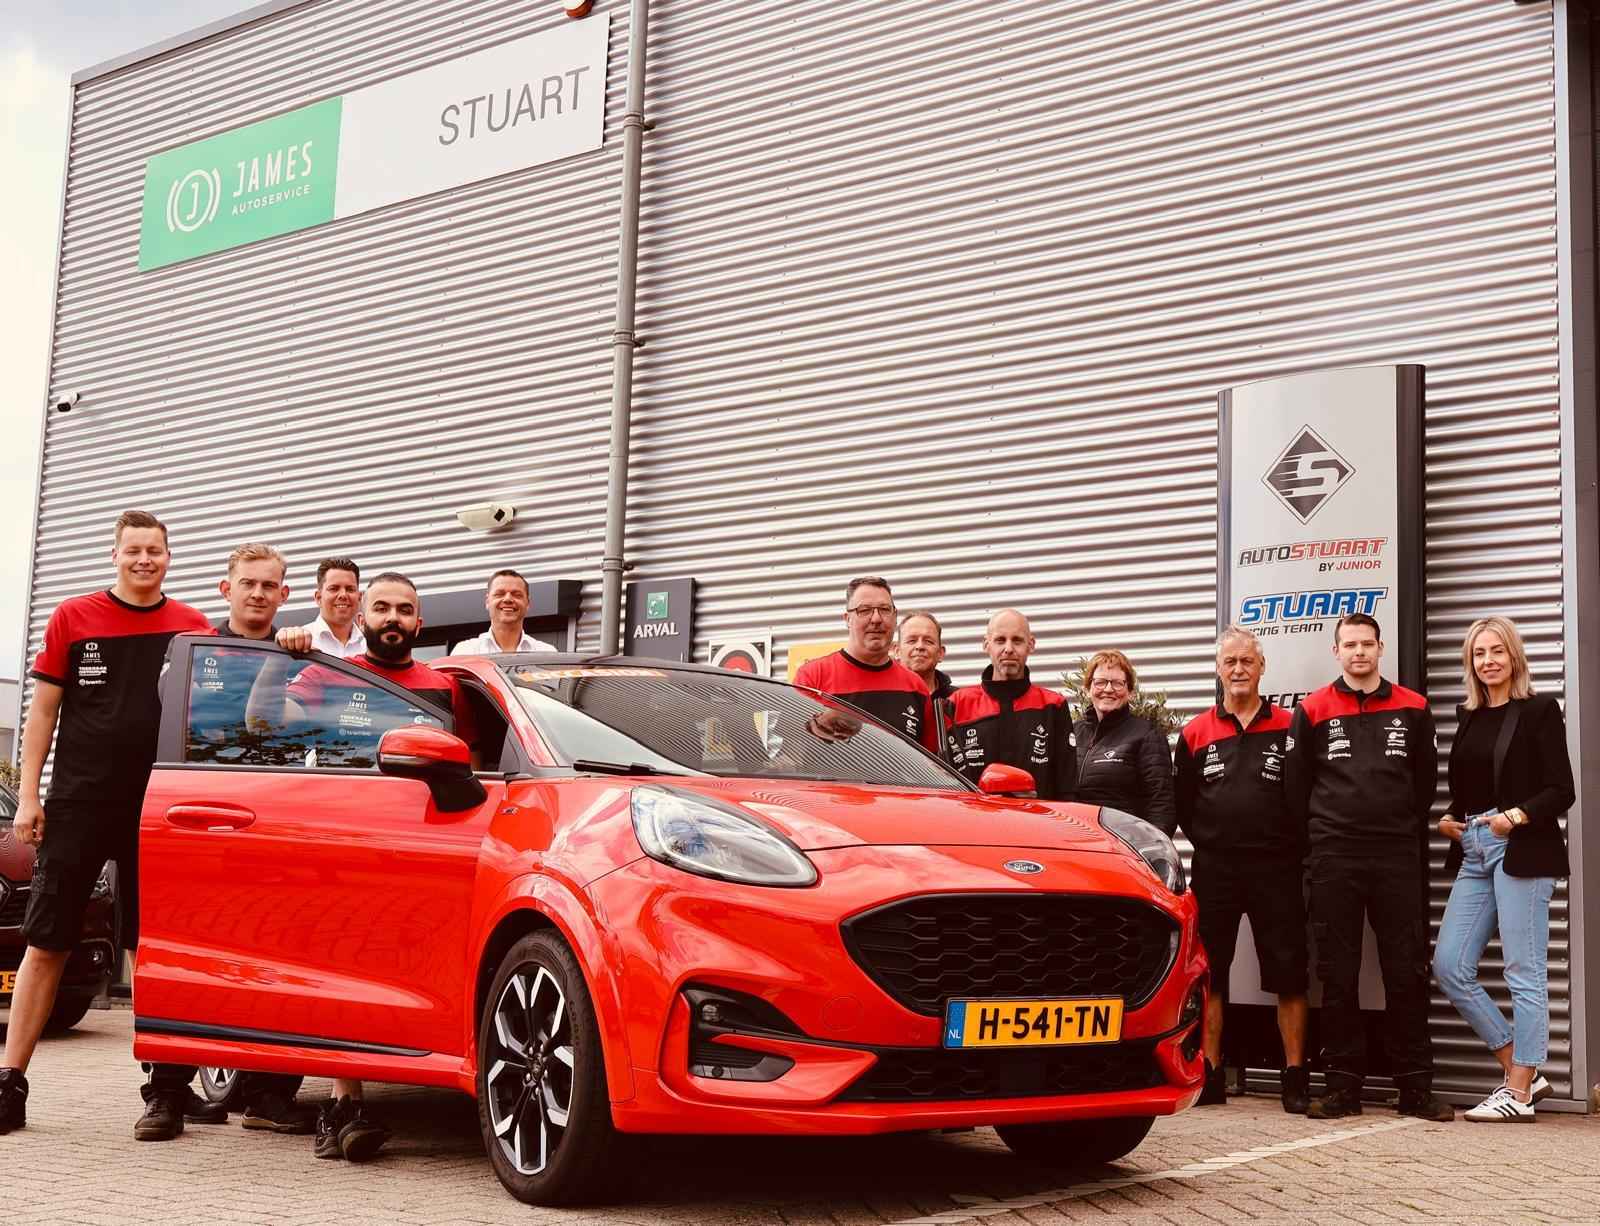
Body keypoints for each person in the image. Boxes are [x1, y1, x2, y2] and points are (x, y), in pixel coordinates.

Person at [0, 510, 215, 1140]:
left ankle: (166, 1090)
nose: (144, 559)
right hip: (78, 801)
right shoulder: (73, 617)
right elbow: (43, 713)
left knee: (150, 948)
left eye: (155, 550)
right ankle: (9, 1083)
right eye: (134, 550)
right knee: (47, 940)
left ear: (169, 557)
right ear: (115, 555)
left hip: (159, 806)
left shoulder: (192, 627)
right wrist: (30, 796)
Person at [268, 571, 477, 1160]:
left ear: (419, 623)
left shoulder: (444, 687)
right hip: (352, 839)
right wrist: (276, 660)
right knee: (348, 964)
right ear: (362, 617)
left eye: (404, 610)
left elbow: (473, 760)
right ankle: (344, 1105)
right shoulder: (332, 673)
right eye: (381, 607)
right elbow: (267, 722)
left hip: (428, 843)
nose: (392, 618)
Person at [1284, 612, 1452, 1121]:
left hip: (1396, 855)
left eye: (1367, 644)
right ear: (1336, 651)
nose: (1359, 652)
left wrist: (1394, 826)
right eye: (1350, 644)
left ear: (1381, 649)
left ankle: (1415, 1087)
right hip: (1333, 856)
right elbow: (1296, 787)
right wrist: (1321, 838)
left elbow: (1424, 785)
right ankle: (1343, 1087)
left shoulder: (1414, 707)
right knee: (1338, 974)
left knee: (1406, 970)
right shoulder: (1312, 709)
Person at [1432, 616, 1575, 1123]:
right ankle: (1520, 1067)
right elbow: (1472, 787)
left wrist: (1514, 817)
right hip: (1474, 847)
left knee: (1523, 968)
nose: (1488, 661)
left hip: (1521, 847)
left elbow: (1561, 789)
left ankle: (1517, 1092)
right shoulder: (1468, 715)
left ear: (1514, 656)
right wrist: (1451, 819)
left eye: (1496, 651)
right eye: (1478, 653)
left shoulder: (1538, 710)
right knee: (1450, 965)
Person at [1174, 627, 1308, 1112]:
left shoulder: (1291, 725)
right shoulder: (1195, 732)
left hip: (1278, 868)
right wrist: (1214, 841)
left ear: (1262, 667)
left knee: (1290, 973)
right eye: (1230, 661)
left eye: (1247, 661)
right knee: (1211, 972)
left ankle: (1295, 1075)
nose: (1238, 669)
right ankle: (1210, 1073)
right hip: (1217, 869)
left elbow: (1304, 795)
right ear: (1218, 668)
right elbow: (1184, 805)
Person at [792, 577, 938, 752]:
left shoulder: (916, 688)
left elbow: (929, 760)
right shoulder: (813, 677)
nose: (876, 619)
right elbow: (794, 749)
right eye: (865, 610)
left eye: (884, 609)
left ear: (895, 617)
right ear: (847, 619)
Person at [946, 609, 1075, 799]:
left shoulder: (1053, 705)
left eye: (1017, 640)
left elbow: (1067, 787)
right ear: (986, 644)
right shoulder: (958, 704)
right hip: (974, 816)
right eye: (1000, 640)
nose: (1008, 648)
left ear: (1031, 644)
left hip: (1036, 816)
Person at [1072, 649, 1176, 832]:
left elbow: (1161, 804)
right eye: (1100, 682)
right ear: (1087, 689)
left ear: (1130, 692)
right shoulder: (1073, 733)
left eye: (1118, 683)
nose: (1108, 689)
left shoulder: (1146, 735)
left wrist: (1150, 845)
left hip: (1122, 843)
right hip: (1076, 840)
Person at [451, 568, 559, 655]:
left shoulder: (546, 652)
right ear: (487, 601)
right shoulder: (465, 652)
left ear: (528, 603)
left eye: (517, 595)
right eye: (499, 594)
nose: (508, 599)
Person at [304, 557, 365, 658]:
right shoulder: (300, 643)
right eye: (334, 589)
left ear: (359, 597)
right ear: (318, 597)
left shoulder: (370, 647)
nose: (343, 595)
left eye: (350, 589)